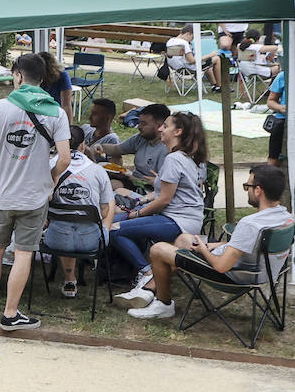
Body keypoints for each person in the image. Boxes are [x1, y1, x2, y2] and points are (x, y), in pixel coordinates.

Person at [0, 52, 70, 331]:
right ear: (43, 79)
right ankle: (11, 313)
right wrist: (50, 177)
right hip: (35, 195)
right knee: (24, 253)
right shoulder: (56, 112)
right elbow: (64, 158)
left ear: (17, 76)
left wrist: (5, 155)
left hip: (2, 192)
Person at [126, 165, 293, 320]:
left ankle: (163, 304)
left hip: (232, 276)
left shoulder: (251, 224)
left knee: (158, 250)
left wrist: (203, 251)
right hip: (261, 273)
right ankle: (150, 286)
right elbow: (250, 247)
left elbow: (221, 266)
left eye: (247, 186)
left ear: (258, 190)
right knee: (184, 239)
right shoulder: (285, 218)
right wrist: (214, 246)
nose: (246, 191)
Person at [112, 112, 208, 307]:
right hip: (184, 218)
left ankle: (146, 272)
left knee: (114, 229)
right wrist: (140, 203)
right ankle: (144, 273)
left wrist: (136, 214)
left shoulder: (173, 159)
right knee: (119, 221)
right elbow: (164, 193)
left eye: (165, 126)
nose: (160, 129)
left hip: (177, 221)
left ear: (178, 131)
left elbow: (164, 199)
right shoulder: (184, 157)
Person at [45, 126, 115, 299]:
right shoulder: (98, 170)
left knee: (63, 226)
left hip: (55, 240)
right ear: (83, 145)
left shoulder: (48, 166)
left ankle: (69, 278)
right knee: (109, 203)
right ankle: (92, 262)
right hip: (91, 242)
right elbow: (105, 210)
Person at [92, 103, 170, 194]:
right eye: (139, 122)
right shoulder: (140, 138)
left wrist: (132, 176)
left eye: (144, 124)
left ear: (160, 126)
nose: (139, 127)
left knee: (114, 192)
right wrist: (100, 147)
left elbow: (163, 184)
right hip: (134, 182)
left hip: (151, 191)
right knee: (104, 185)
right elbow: (117, 149)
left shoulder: (167, 150)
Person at [166, 26, 221, 93]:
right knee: (216, 59)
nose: (192, 40)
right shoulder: (184, 43)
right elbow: (191, 61)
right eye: (192, 37)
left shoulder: (170, 41)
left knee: (207, 65)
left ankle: (214, 86)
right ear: (188, 34)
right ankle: (219, 86)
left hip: (176, 68)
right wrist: (210, 55)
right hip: (188, 68)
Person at [266, 65, 286, 166]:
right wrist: (281, 108)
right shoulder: (283, 76)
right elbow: (270, 101)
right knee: (273, 158)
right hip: (283, 121)